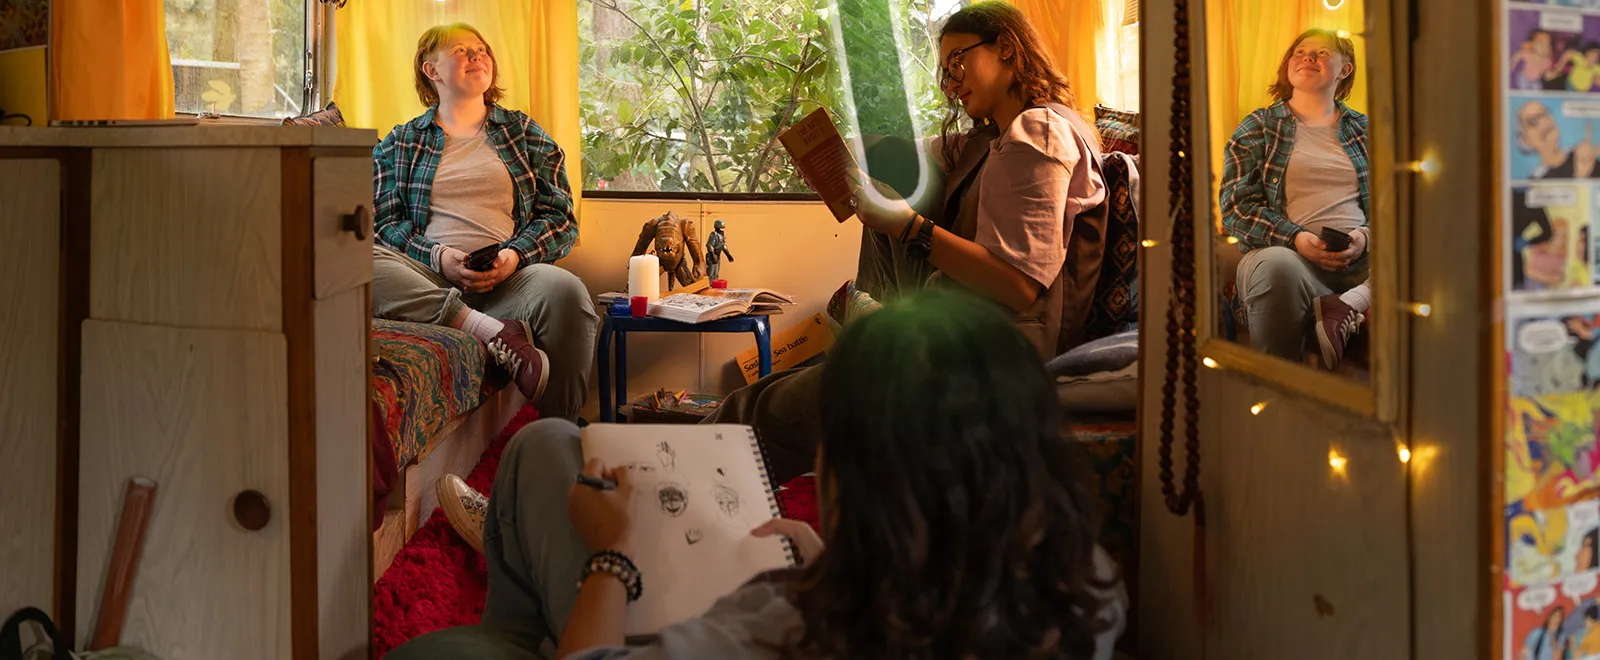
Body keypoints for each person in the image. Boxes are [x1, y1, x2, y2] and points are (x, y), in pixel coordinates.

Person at [437, 0, 1108, 552]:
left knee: (760, 410)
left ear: (1010, 51)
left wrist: (909, 226)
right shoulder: (990, 137)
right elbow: (915, 158)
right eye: (942, 72)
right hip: (952, 337)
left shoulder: (1036, 134)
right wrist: (845, 160)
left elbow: (1021, 285)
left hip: (984, 356)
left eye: (959, 61)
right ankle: (594, 508)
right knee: (769, 392)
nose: (950, 81)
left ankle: (546, 527)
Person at [387, 291, 1126, 660]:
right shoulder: (1086, 586)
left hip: (632, 621)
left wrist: (611, 556)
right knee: (550, 450)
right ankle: (523, 564)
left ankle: (527, 586)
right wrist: (837, 561)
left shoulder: (784, 629)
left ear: (860, 482)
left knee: (544, 448)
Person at [372, 22, 599, 430]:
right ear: (431, 71)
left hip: (509, 283)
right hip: (427, 281)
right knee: (356, 260)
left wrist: (515, 256)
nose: (478, 56)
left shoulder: (523, 133)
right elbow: (384, 224)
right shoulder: (399, 142)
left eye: (482, 50)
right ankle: (484, 330)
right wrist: (440, 258)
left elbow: (560, 218)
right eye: (461, 50)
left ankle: (558, 438)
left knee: (569, 293)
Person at [1220, 28, 1371, 369]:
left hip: (1364, 266)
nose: (1307, 58)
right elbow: (1236, 208)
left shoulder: (1366, 131)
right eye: (1300, 52)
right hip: (1290, 260)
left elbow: (1397, 208)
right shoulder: (1258, 127)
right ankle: (1274, 398)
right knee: (1276, 266)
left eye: (1321, 53)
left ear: (1344, 69)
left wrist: (1365, 238)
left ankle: (1347, 304)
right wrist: (1296, 238)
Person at [1516, 99, 1600, 178]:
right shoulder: (1537, 178)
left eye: (1545, 113)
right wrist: (1581, 176)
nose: (1543, 121)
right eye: (1533, 121)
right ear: (1525, 139)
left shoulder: (1581, 154)